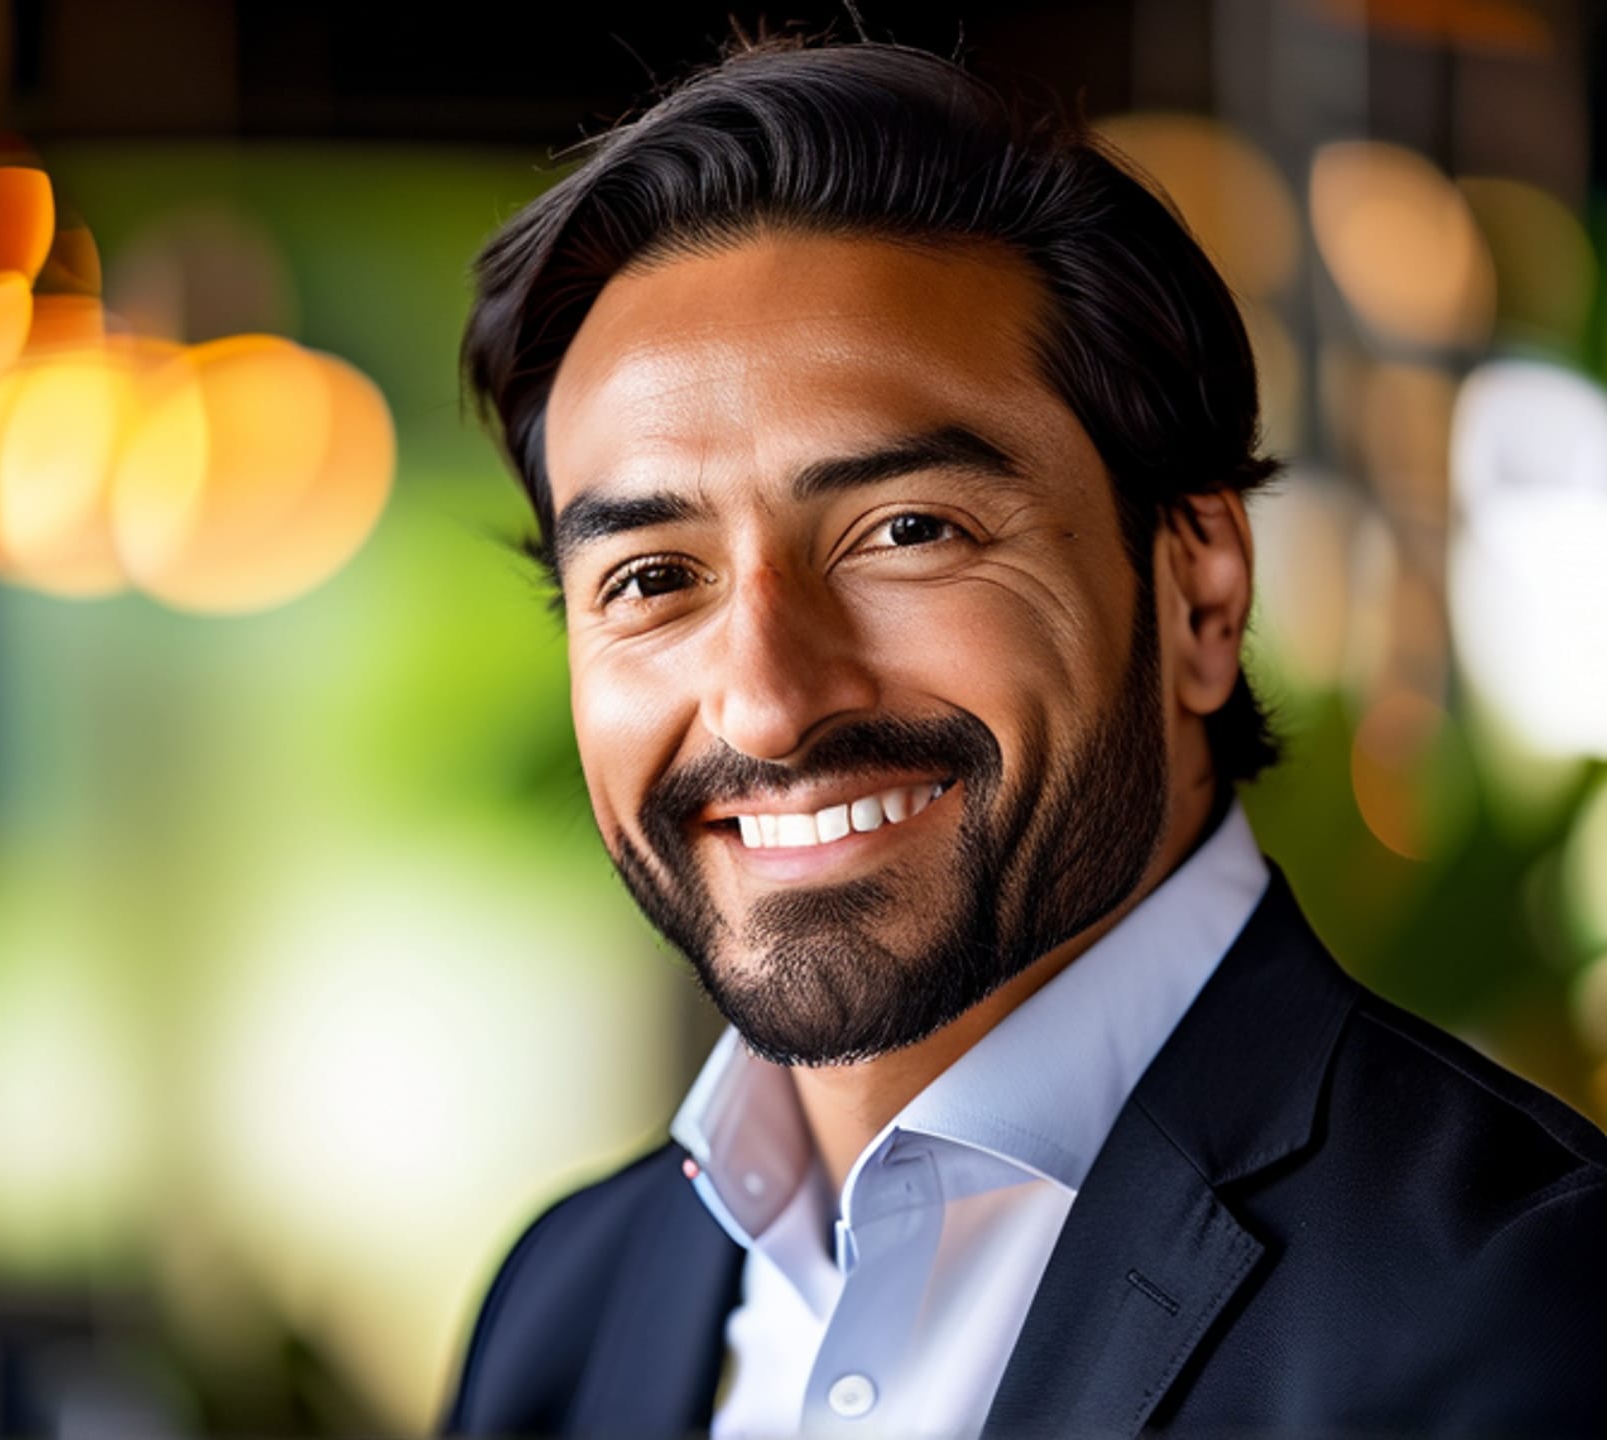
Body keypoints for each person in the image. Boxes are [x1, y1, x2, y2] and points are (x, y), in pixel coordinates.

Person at [444, 36, 1607, 1440]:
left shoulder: (1533, 1305)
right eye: (651, 579)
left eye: (906, 533)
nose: (764, 700)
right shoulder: (566, 1306)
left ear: (1198, 594)